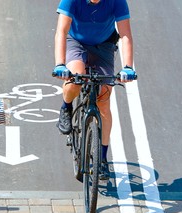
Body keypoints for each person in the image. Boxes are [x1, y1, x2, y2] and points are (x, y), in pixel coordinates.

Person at [52, 0, 136, 180]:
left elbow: (126, 35)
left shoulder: (117, 1)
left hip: (103, 44)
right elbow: (61, 31)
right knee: (75, 78)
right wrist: (60, 64)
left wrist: (128, 67)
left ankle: (103, 159)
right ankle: (66, 107)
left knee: (104, 98)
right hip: (75, 42)